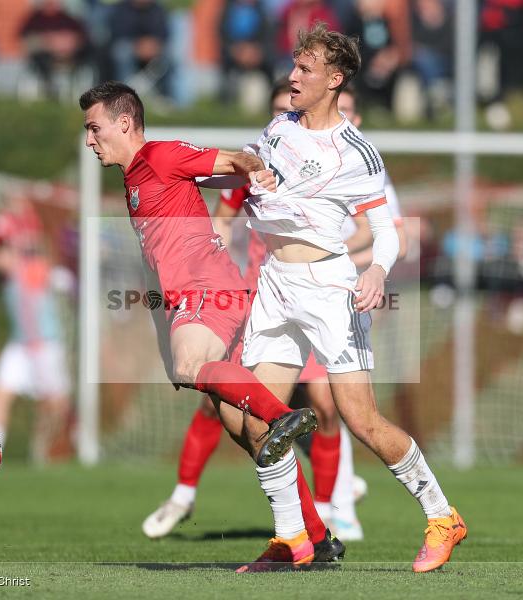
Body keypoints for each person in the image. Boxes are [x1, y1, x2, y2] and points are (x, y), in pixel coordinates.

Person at [80, 81, 344, 568]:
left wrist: (259, 168)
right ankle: (314, 537)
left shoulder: (159, 155)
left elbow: (234, 162)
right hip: (199, 299)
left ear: (124, 123)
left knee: (214, 382)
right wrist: (166, 337)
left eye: (95, 128)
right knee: (243, 428)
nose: (90, 140)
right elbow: (158, 264)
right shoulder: (137, 177)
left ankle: (282, 416)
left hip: (210, 291)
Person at [237, 23, 466, 573]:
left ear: (334, 79)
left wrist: (378, 271)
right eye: (293, 65)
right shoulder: (280, 126)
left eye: (305, 70)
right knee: (254, 421)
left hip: (328, 289)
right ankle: (293, 540)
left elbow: (387, 230)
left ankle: (442, 516)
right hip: (275, 284)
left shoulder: (356, 153)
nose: (292, 77)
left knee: (360, 419)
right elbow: (251, 177)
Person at [141, 82, 394, 544]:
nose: (286, 116)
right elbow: (221, 217)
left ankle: (328, 512)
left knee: (327, 405)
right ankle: (185, 495)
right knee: (222, 402)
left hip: (319, 296)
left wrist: (335, 255)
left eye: (290, 106)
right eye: (279, 109)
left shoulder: (345, 164)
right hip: (262, 297)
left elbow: (378, 230)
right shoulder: (261, 161)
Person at [0, 197, 72, 464]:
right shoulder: (11, 274)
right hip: (20, 345)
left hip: (45, 344)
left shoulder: (36, 268)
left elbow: (46, 268)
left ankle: (56, 448)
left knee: (55, 404)